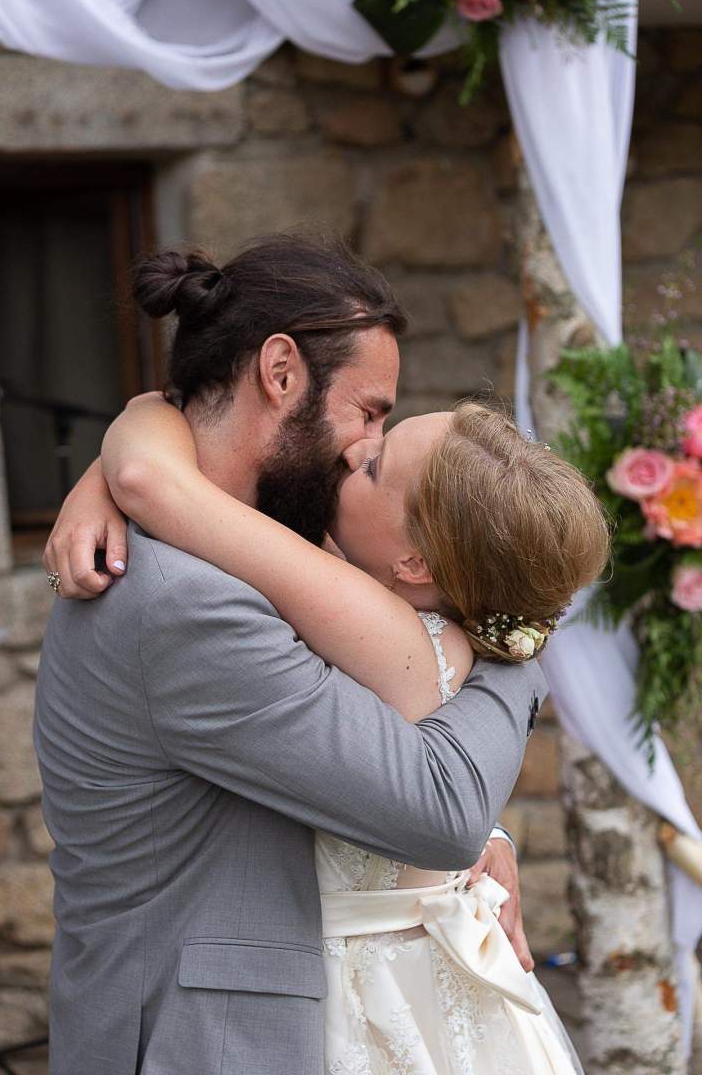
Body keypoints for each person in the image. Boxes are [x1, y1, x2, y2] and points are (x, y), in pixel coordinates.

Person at [39, 235, 546, 1075]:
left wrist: (133, 439)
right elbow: (438, 807)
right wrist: (514, 639)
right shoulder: (184, 603)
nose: (362, 448)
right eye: (371, 411)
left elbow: (364, 750)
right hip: (201, 1046)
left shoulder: (272, 550)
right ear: (280, 374)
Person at [89, 387, 607, 1074]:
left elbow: (158, 484)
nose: (355, 447)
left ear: (415, 564)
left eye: (374, 468)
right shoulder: (451, 634)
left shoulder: (369, 625)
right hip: (453, 993)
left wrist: (107, 472)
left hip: (361, 997)